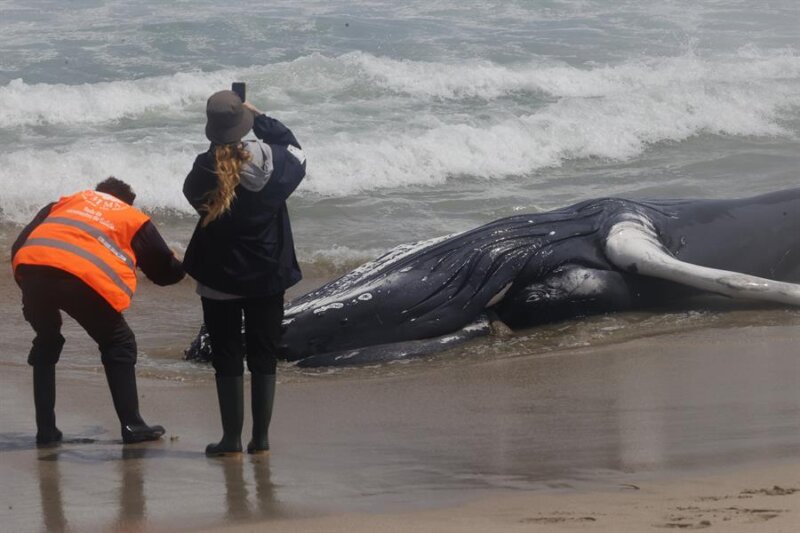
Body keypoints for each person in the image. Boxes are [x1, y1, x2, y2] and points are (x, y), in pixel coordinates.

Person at [11, 177, 185, 445]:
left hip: (31, 270)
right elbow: (165, 274)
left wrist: (31, 292)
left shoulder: (63, 204)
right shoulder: (132, 217)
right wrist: (188, 262)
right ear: (126, 200)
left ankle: (46, 431)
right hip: (79, 278)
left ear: (98, 194)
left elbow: (19, 247)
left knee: (47, 340)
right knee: (119, 343)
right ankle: (132, 425)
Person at [183, 90, 306, 457]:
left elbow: (194, 198)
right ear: (245, 124)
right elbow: (297, 148)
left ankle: (231, 439)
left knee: (227, 354)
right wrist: (262, 117)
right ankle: (261, 439)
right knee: (264, 353)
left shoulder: (203, 170)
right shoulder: (278, 164)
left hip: (220, 277)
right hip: (266, 275)